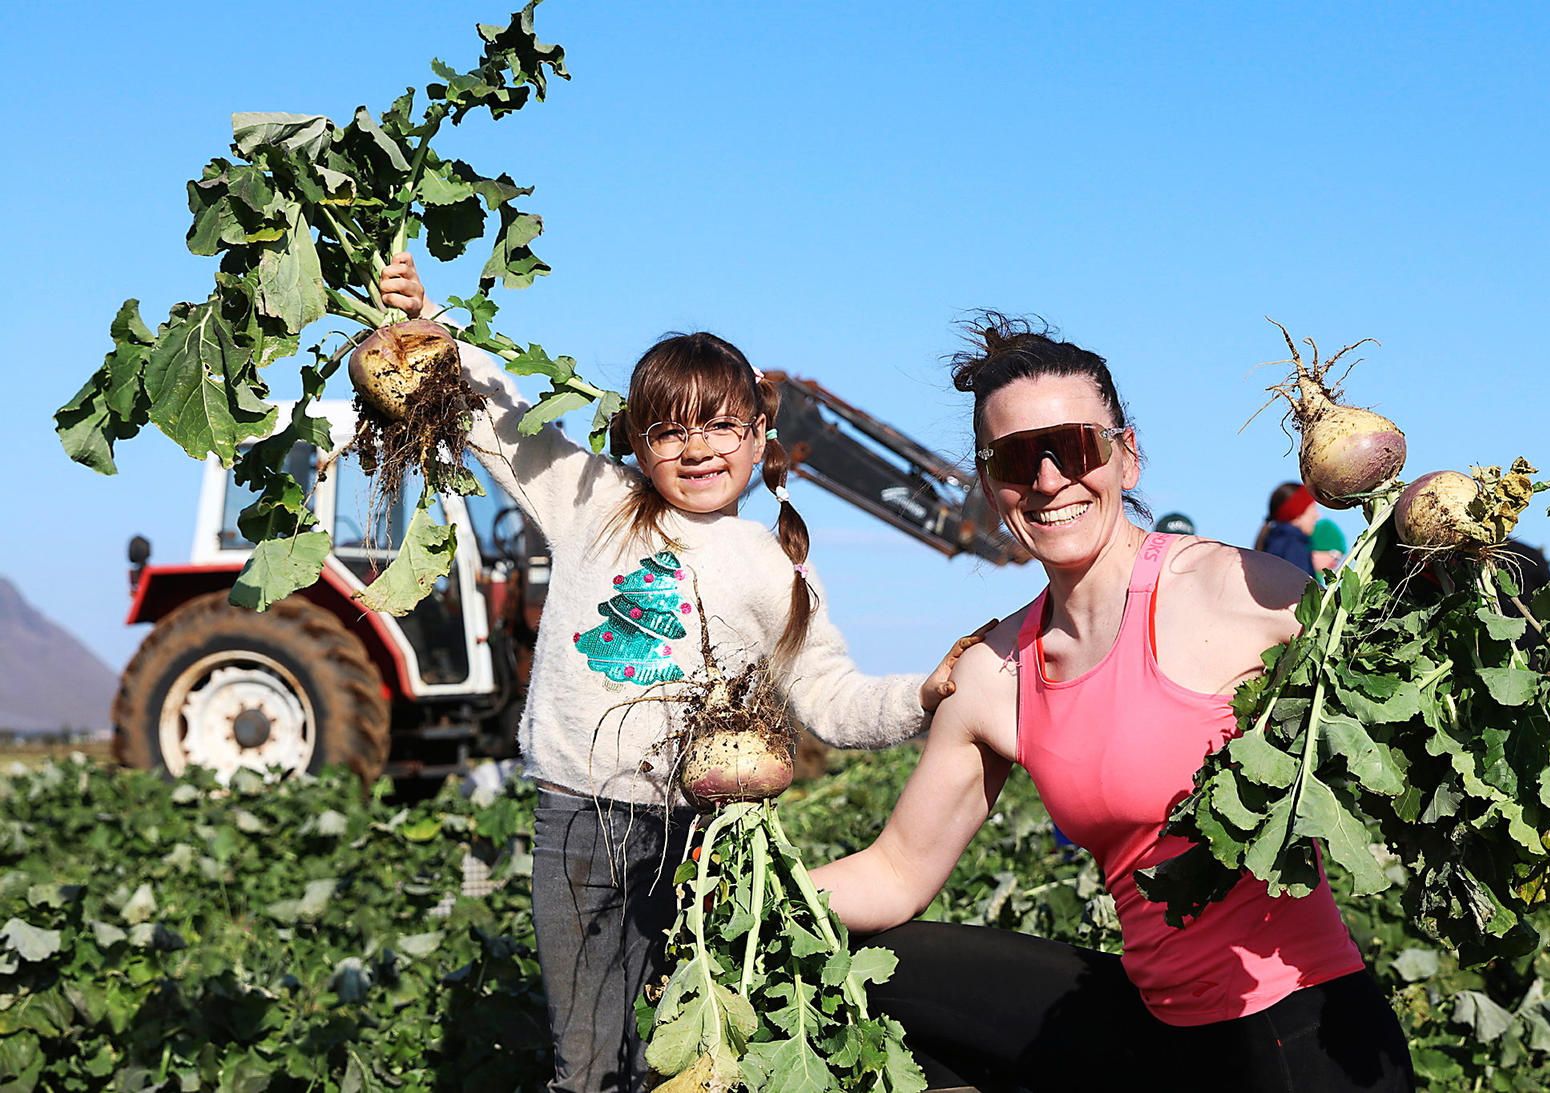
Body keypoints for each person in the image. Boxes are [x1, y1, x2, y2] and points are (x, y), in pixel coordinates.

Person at [378, 255, 981, 1093]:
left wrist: (925, 691)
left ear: (760, 436)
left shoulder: (775, 569)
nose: (696, 448)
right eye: (669, 430)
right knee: (589, 1060)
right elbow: (501, 414)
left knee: (695, 1055)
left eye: (720, 426)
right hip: (579, 824)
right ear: (638, 442)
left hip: (703, 842)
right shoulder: (597, 500)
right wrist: (427, 319)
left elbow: (834, 698)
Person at [810, 315, 1413, 1091]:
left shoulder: (1241, 591)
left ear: (1127, 456)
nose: (1051, 478)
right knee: (876, 975)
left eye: (1077, 446)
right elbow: (894, 870)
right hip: (1159, 1034)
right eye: (1019, 458)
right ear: (992, 485)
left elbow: (1397, 665)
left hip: (1305, 1038)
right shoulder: (994, 673)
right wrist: (739, 892)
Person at [1254, 481, 1320, 575]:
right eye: (1313, 509)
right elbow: (1299, 587)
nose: (1317, 516)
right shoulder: (1293, 546)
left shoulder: (1274, 541)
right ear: (1297, 514)